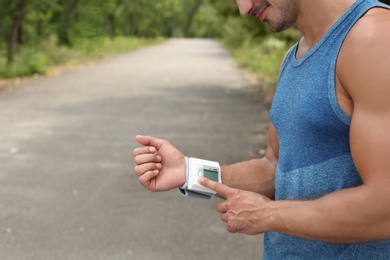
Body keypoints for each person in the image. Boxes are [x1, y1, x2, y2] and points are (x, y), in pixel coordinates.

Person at [133, 0, 390, 258]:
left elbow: (385, 206)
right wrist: (189, 172)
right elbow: (274, 166)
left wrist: (269, 215)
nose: (244, 8)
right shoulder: (292, 58)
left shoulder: (374, 38)